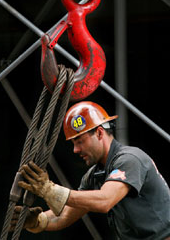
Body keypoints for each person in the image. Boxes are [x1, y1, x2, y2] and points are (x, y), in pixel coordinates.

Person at [10, 101, 170, 239]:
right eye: (73, 143)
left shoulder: (130, 159)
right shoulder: (94, 176)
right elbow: (65, 214)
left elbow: (105, 200)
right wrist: (39, 220)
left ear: (100, 133)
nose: (75, 150)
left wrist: (49, 190)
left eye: (79, 141)